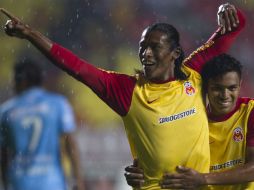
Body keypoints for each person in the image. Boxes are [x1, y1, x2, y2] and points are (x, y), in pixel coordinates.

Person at [0, 3, 245, 189]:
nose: (146, 54)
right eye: (142, 47)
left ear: (175, 53)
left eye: (154, 47)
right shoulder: (127, 90)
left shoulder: (195, 74)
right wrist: (31, 34)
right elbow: (76, 67)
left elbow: (236, 25)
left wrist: (227, 8)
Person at [125, 54, 254, 189]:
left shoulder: (250, 112)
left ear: (240, 85)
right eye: (217, 88)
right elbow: (168, 162)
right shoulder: (190, 119)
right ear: (205, 88)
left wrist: (203, 178)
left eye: (232, 88)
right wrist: (141, 174)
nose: (225, 95)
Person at [0, 59, 85, 190]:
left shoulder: (6, 111)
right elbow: (70, 142)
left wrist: (6, 184)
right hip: (51, 182)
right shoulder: (58, 104)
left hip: (19, 183)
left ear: (22, 81)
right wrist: (78, 180)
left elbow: (4, 154)